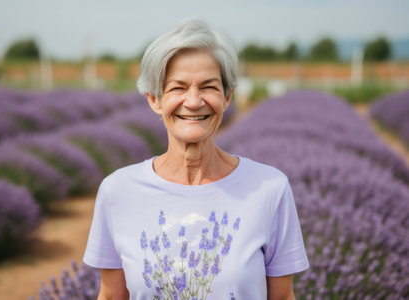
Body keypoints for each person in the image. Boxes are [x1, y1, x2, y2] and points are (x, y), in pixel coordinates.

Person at [83, 19, 309, 300]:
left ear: (227, 98)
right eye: (178, 87)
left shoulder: (270, 188)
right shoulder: (118, 191)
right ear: (155, 99)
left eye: (209, 87)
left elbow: (283, 297)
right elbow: (111, 297)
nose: (193, 101)